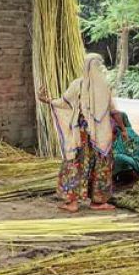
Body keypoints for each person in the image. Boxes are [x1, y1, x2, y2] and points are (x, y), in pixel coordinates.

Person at [43, 53, 118, 212]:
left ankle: (72, 202)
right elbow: (114, 111)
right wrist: (123, 130)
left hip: (81, 136)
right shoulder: (105, 87)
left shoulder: (78, 84)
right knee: (100, 165)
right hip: (101, 137)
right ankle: (97, 202)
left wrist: (49, 101)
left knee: (77, 165)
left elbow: (64, 103)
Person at [110, 110, 139, 185]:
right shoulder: (129, 131)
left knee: (116, 157)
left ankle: (130, 175)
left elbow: (117, 156)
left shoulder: (124, 135)